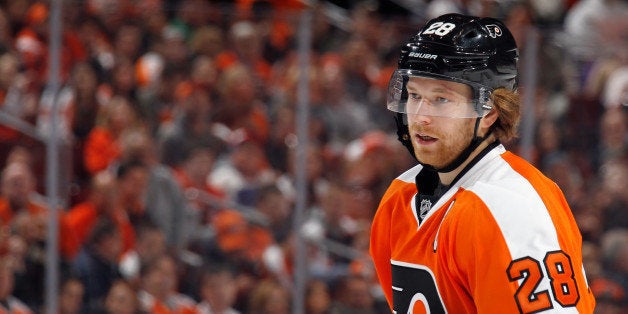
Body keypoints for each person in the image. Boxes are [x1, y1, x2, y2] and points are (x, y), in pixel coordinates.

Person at [369, 13, 596, 313]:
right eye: (414, 95)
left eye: (441, 99)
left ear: (489, 112)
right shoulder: (400, 197)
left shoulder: (511, 207)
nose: (421, 116)